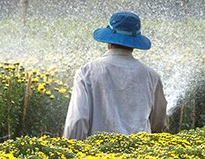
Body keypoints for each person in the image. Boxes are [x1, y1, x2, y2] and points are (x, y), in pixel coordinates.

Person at [63, 11, 168, 140]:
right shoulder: (152, 76)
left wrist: (72, 150)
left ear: (109, 41)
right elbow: (158, 122)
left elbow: (77, 120)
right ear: (135, 43)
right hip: (140, 154)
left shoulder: (87, 72)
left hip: (96, 154)